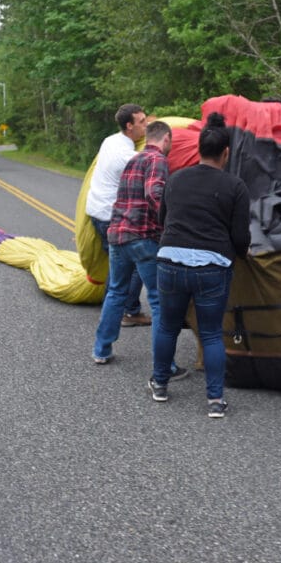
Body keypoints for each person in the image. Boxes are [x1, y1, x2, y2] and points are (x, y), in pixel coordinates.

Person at [148, 112, 251, 418]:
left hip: (170, 262)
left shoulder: (176, 178)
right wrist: (241, 255)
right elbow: (240, 236)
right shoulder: (236, 186)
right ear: (226, 153)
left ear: (198, 149)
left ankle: (160, 384)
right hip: (211, 267)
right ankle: (215, 400)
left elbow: (162, 220)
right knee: (210, 333)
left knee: (167, 326)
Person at [91, 121, 187, 381]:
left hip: (118, 234)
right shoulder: (157, 160)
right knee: (158, 301)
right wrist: (171, 222)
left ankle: (101, 350)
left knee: (116, 292)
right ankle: (165, 366)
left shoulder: (133, 160)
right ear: (166, 138)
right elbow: (155, 193)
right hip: (143, 237)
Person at [85, 104, 149, 327]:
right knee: (134, 262)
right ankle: (125, 312)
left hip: (97, 210)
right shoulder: (126, 156)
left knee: (119, 265)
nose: (146, 125)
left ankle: (121, 308)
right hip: (109, 216)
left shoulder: (111, 140)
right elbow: (149, 167)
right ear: (129, 126)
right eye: (142, 122)